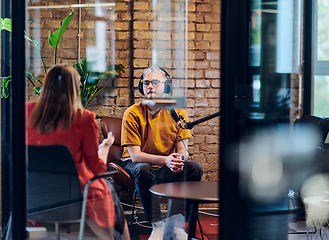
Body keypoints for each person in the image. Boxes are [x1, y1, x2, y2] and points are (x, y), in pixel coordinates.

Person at [26, 64, 130, 240]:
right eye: (79, 83)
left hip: (34, 197)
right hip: (75, 200)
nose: (81, 86)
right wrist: (105, 147)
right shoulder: (84, 119)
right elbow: (96, 170)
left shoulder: (27, 112)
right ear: (73, 88)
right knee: (107, 194)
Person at [119, 66, 203, 240]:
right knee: (143, 169)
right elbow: (135, 155)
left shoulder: (177, 112)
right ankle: (157, 225)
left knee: (194, 168)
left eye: (155, 82)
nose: (150, 86)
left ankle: (175, 225)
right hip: (137, 164)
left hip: (165, 163)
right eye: (146, 83)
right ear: (141, 87)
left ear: (167, 86)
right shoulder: (132, 113)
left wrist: (178, 160)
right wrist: (166, 160)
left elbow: (183, 151)